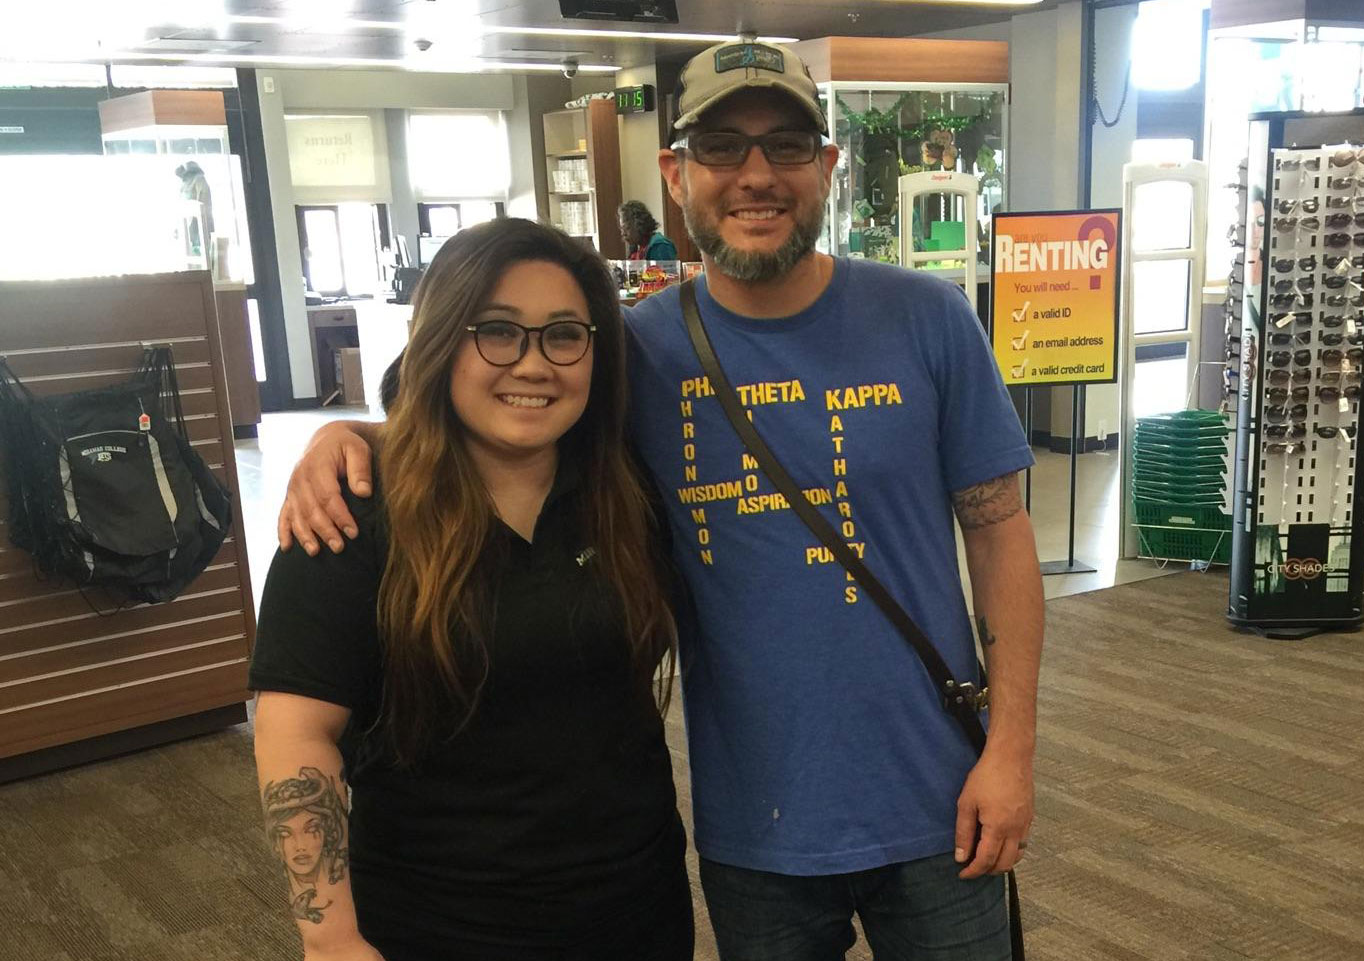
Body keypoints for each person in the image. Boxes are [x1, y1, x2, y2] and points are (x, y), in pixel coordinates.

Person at [278, 40, 1044, 961]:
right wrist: (347, 439)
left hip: (943, 799)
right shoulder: (633, 351)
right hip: (755, 825)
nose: (755, 175)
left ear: (827, 167)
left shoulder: (927, 318)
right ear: (677, 174)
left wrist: (1012, 749)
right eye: (721, 147)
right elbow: (497, 406)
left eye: (786, 146)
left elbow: (1000, 538)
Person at [250, 217, 691, 961]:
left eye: (563, 335)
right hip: (439, 924)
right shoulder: (353, 513)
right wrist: (329, 937)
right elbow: (295, 733)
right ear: (441, 343)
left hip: (635, 908)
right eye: (498, 332)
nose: (533, 363)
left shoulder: (625, 490)